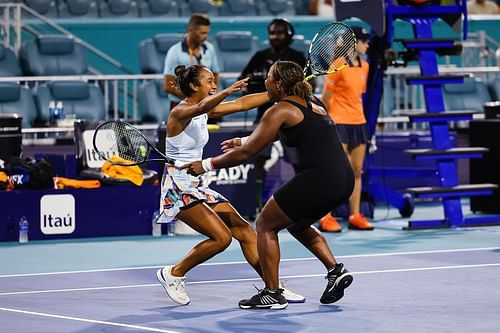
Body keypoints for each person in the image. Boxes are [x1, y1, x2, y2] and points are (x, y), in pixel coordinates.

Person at [181, 61, 355, 310]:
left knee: (264, 224)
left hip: (319, 179)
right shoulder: (314, 101)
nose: (265, 82)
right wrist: (243, 139)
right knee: (298, 224)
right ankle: (335, 270)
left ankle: (272, 292)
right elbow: (282, 132)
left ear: (279, 84)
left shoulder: (280, 109)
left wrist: (207, 164)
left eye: (270, 78)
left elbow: (247, 154)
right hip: (344, 180)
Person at [156, 64, 304, 306]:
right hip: (178, 186)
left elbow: (241, 105)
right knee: (222, 238)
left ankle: (273, 288)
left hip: (196, 184)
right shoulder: (179, 113)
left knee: (244, 230)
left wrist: (275, 94)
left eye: (215, 81)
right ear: (194, 86)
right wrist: (227, 91)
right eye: (209, 81)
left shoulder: (204, 112)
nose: (214, 85)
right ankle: (173, 274)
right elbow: (203, 105)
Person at [238, 18, 307, 210]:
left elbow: (307, 85)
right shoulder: (260, 56)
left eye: (279, 33)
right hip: (265, 113)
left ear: (289, 35)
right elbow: (243, 81)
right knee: (258, 157)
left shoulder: (297, 56)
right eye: (272, 33)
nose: (275, 37)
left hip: (292, 114)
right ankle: (258, 204)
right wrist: (257, 87)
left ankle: (304, 201)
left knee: (298, 160)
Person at [318, 26, 374, 233]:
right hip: (338, 122)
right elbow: (325, 98)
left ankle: (355, 215)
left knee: (356, 172)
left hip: (358, 122)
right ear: (353, 44)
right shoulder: (337, 65)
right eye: (363, 41)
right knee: (337, 173)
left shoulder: (366, 67)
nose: (367, 44)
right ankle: (326, 216)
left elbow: (357, 96)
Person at [162, 13, 221, 122]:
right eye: (202, 33)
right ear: (191, 30)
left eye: (207, 33)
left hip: (206, 105)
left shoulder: (210, 49)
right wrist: (193, 97)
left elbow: (215, 74)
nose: (205, 36)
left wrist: (209, 96)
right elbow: (167, 85)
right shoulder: (174, 52)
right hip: (182, 106)